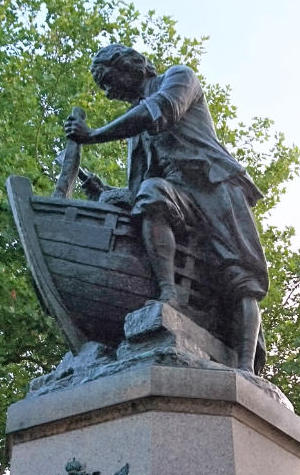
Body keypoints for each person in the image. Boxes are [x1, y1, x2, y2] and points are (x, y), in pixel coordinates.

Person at [64, 44, 268, 374]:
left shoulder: (179, 77)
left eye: (107, 80)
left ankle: (246, 368)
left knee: (242, 278)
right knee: (151, 192)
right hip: (179, 194)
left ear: (129, 66)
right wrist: (104, 192)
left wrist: (94, 136)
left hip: (215, 186)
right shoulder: (136, 131)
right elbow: (140, 188)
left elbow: (161, 111)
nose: (108, 92)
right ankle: (168, 294)